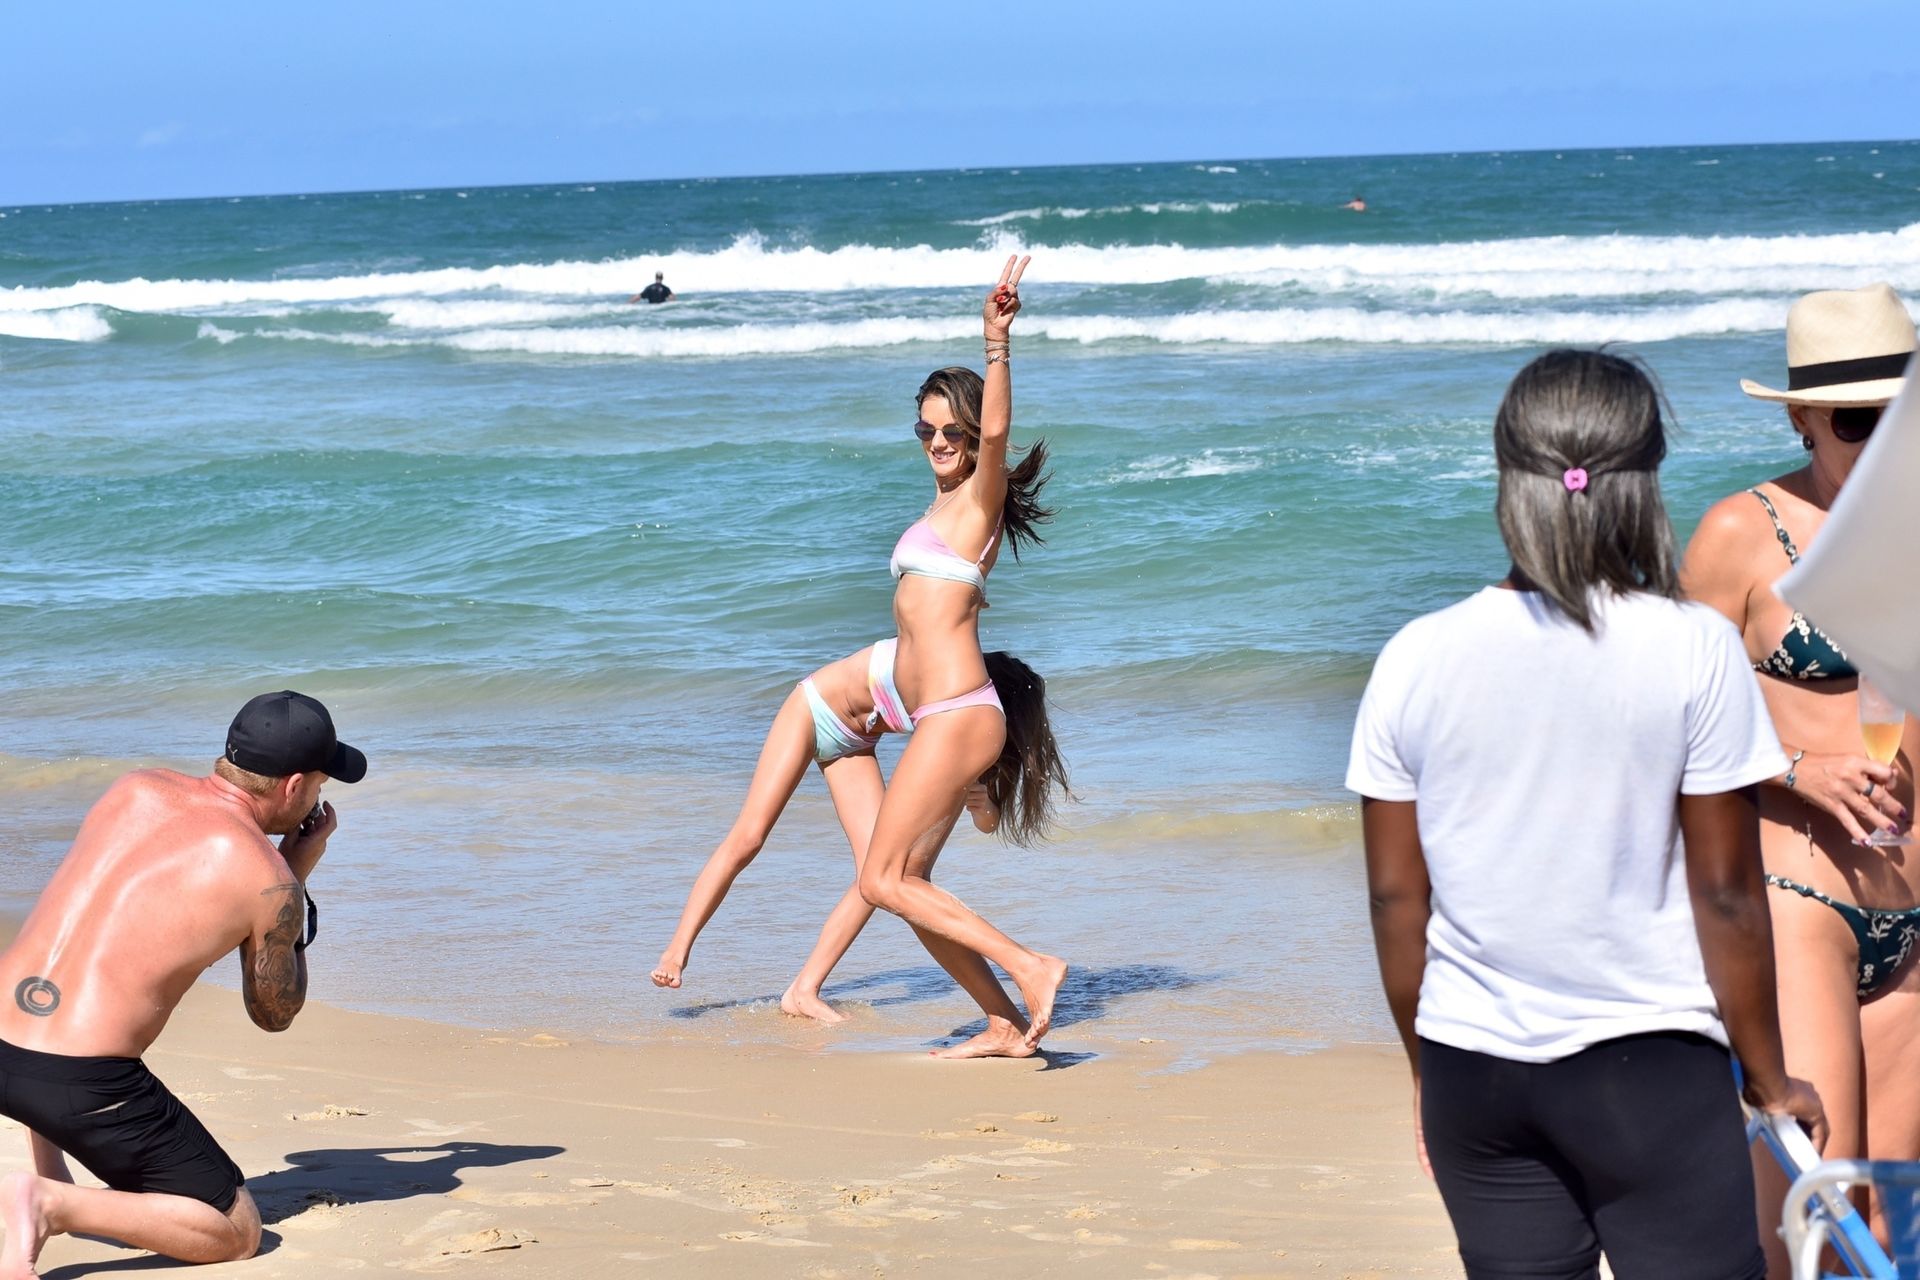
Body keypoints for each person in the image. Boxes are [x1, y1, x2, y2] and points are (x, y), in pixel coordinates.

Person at [1351, 349, 1825, 1279]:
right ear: (1644, 481)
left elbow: (1397, 900)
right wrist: (1771, 1082)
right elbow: (1727, 896)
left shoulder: (1415, 654)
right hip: (1648, 1069)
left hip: (1474, 1069)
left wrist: (1427, 1071)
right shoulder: (1690, 646)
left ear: (1507, 475)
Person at [1681, 282, 1920, 1270]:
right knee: (1821, 1222)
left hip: (1914, 918)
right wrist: (1793, 765)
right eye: (1858, 421)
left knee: (1892, 1235)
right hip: (1802, 904)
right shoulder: (1740, 534)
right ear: (1803, 419)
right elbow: (1668, 716)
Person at [0, 690, 365, 1275]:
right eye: (319, 785)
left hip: (4, 1035)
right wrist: (293, 876)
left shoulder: (134, 788)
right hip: (78, 1080)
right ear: (294, 786)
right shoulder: (265, 876)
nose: (317, 799)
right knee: (236, 1229)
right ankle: (46, 1203)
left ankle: (49, 1161)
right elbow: (274, 1013)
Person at [852, 255, 1070, 1056]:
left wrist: (996, 343)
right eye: (926, 430)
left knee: (881, 880)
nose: (938, 441)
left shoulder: (980, 497)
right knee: (905, 885)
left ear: (975, 436)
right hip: (935, 716)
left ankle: (1031, 966)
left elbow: (1002, 432)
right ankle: (1004, 1025)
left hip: (957, 713)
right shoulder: (940, 503)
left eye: (953, 430)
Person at [651, 644, 1069, 1049]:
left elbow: (986, 821)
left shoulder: (965, 717)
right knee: (749, 838)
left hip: (856, 741)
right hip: (813, 710)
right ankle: (677, 950)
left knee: (884, 875)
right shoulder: (940, 670)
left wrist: (986, 804)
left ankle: (803, 991)